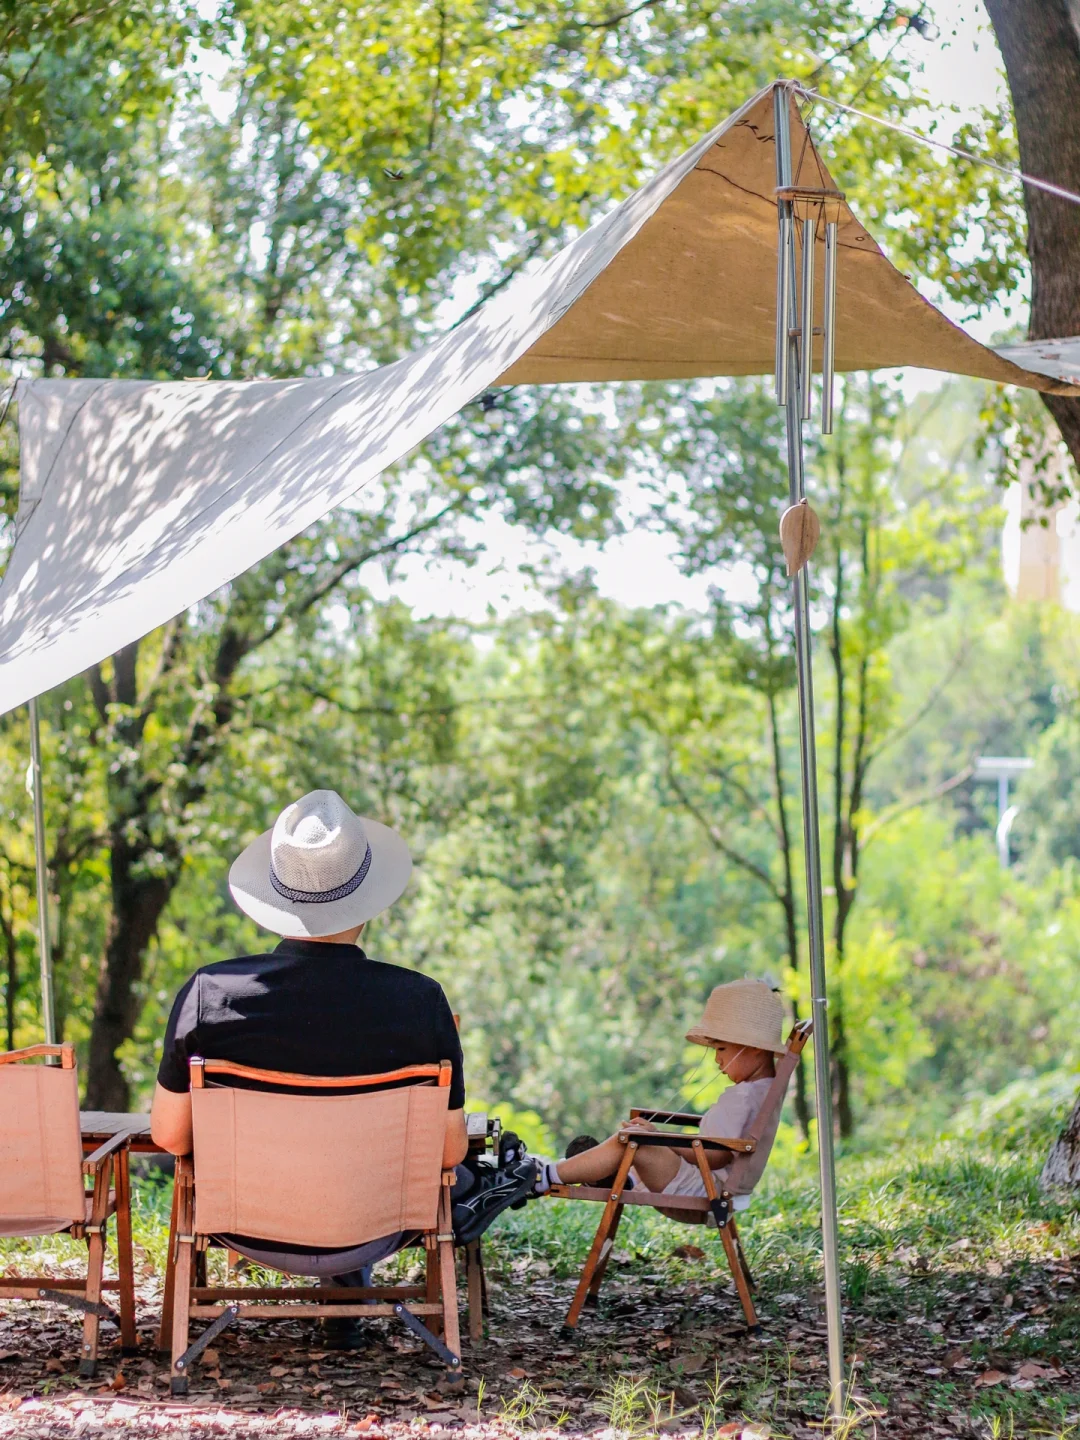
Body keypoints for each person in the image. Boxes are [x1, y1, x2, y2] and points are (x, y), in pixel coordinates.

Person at [150, 788, 534, 1344]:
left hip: (244, 1226)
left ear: (277, 899)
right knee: (463, 1174)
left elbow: (168, 1134)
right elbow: (449, 1154)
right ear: (369, 900)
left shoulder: (211, 993)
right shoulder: (419, 1001)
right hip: (379, 1227)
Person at [533, 978, 784, 1201]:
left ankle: (546, 1175)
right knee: (637, 1139)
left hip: (704, 1187)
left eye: (721, 1049)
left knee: (633, 1140)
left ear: (754, 1047)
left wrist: (659, 1136)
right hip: (711, 1183)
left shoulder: (743, 1097)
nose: (716, 1059)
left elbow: (715, 1156)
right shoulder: (761, 1091)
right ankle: (609, 1176)